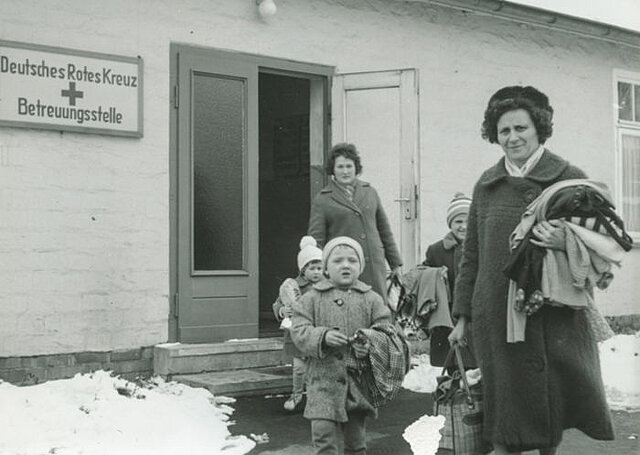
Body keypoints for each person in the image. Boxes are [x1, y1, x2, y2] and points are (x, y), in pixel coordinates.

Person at [448, 85, 614, 455]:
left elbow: (601, 243)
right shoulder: (487, 186)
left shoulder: (569, 177)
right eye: (504, 130)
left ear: (539, 128)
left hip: (553, 314)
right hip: (496, 316)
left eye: (521, 128)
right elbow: (471, 254)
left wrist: (563, 241)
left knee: (549, 411)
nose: (512, 137)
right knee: (507, 417)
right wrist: (461, 316)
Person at [290, 236, 407, 455]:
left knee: (356, 443)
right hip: (322, 382)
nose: (345, 265)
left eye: (352, 261)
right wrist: (322, 336)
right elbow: (298, 329)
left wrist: (370, 344)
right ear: (325, 268)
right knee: (324, 439)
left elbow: (386, 330)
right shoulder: (311, 299)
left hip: (357, 385)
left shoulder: (371, 299)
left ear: (360, 267)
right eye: (337, 261)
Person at [308, 142, 403, 302]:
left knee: (378, 309)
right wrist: (320, 270)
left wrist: (395, 263)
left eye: (349, 166)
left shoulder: (370, 192)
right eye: (340, 167)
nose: (345, 171)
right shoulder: (323, 199)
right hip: (344, 265)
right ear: (333, 170)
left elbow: (384, 230)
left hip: (373, 263)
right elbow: (316, 240)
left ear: (356, 168)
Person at [422, 192, 476, 368]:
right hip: (446, 317)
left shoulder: (481, 248)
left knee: (475, 365)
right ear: (450, 223)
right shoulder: (436, 250)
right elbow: (423, 275)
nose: (464, 226)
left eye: (468, 221)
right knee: (449, 363)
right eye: (458, 222)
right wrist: (434, 274)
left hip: (473, 315)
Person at [273, 235, 324, 412]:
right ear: (303, 269)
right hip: (298, 334)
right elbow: (279, 302)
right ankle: (296, 395)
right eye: (312, 268)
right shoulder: (292, 286)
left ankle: (316, 398)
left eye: (320, 268)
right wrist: (281, 311)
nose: (317, 272)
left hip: (318, 333)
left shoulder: (327, 286)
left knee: (318, 368)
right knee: (300, 369)